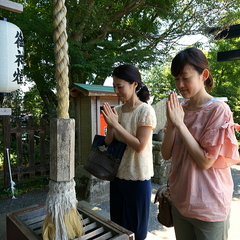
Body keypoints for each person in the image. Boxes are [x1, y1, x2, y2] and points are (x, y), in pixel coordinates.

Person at [161, 47, 240, 240]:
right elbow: (165, 153)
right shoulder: (179, 109)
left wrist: (179, 124)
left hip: (209, 206)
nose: (180, 84)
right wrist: (172, 124)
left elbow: (206, 162)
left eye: (185, 78)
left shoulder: (218, 110)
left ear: (203, 75)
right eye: (176, 79)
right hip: (180, 201)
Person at [101, 64, 156, 240]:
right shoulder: (116, 111)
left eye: (120, 86)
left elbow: (140, 145)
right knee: (117, 228)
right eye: (114, 86)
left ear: (134, 84)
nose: (117, 91)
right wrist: (110, 126)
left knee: (137, 231)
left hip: (138, 179)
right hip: (117, 176)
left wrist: (116, 124)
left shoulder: (145, 111)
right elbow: (109, 143)